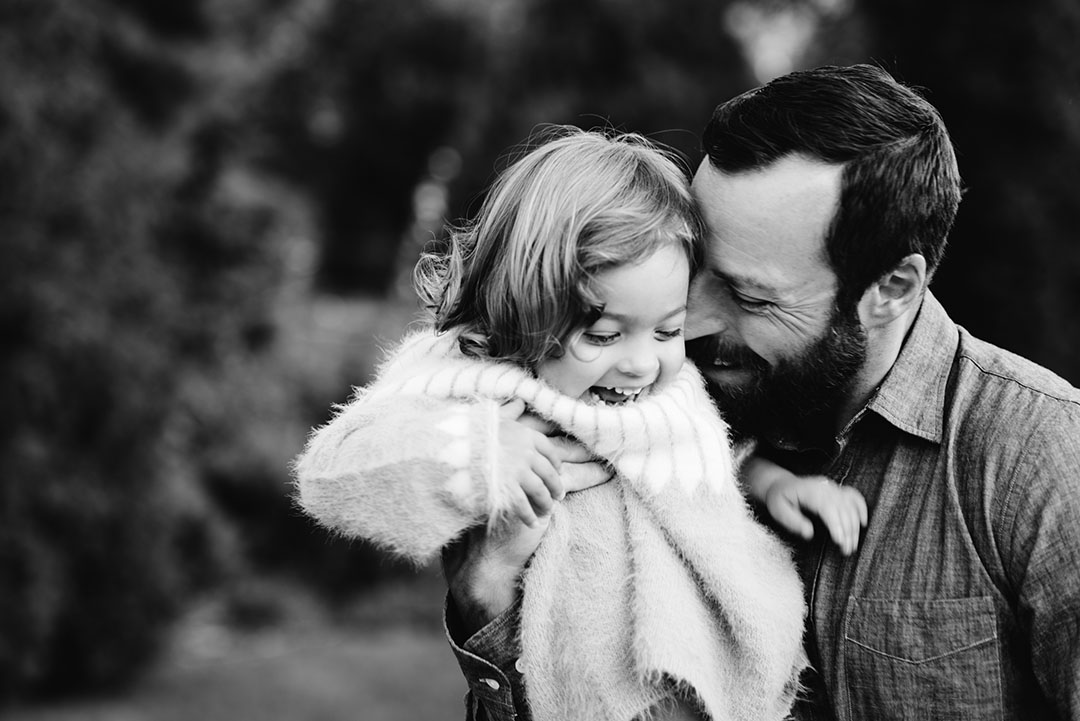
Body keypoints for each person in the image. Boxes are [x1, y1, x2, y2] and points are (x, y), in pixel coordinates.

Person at [446, 65, 1080, 721]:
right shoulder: (638, 409)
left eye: (750, 296)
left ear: (891, 289)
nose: (691, 321)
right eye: (691, 271)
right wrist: (490, 601)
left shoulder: (1040, 459)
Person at [293, 127, 829, 721]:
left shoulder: (675, 387)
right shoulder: (476, 383)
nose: (641, 362)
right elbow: (335, 471)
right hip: (585, 693)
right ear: (523, 307)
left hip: (728, 682)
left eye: (668, 330)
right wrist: (480, 453)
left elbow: (705, 452)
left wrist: (774, 481)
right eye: (601, 335)